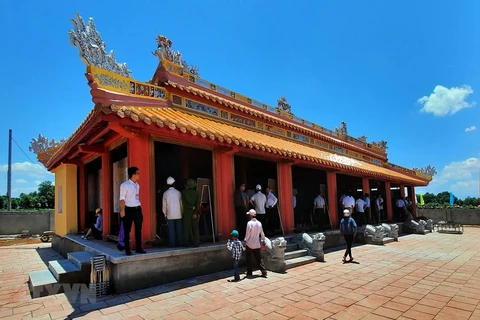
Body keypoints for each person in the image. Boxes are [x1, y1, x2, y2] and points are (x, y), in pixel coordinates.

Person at [119, 167, 146, 255]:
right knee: (127, 230)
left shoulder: (137, 185)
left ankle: (139, 247)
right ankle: (127, 249)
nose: (139, 175)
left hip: (137, 208)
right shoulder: (125, 185)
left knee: (138, 229)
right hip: (128, 209)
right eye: (137, 173)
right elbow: (122, 198)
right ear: (133, 174)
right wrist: (122, 210)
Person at [244, 209, 267, 278]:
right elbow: (262, 233)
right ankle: (263, 271)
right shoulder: (259, 223)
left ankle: (249, 272)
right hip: (257, 243)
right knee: (258, 258)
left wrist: (245, 241)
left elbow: (247, 234)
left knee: (249, 259)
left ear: (250, 215)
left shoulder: (249, 223)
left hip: (250, 244)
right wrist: (263, 240)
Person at [163, 176, 183, 247]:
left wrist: (165, 214)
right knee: (179, 229)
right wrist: (182, 212)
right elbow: (181, 204)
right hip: (178, 214)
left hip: (170, 214)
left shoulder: (165, 193)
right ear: (174, 184)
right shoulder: (178, 192)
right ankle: (180, 243)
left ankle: (172, 244)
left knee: (171, 230)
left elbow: (164, 205)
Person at [182, 179, 201, 247]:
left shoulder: (183, 192)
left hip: (187, 212)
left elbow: (183, 203)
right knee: (195, 227)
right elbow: (197, 204)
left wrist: (190, 207)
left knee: (186, 227)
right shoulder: (197, 193)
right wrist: (195, 212)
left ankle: (186, 243)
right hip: (194, 212)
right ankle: (196, 242)